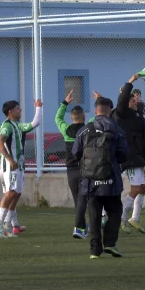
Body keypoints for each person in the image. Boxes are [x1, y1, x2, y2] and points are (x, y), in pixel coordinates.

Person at [72, 97, 129, 259]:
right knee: (115, 211)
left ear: (96, 110)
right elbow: (124, 155)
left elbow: (75, 153)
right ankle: (110, 243)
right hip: (111, 180)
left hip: (90, 180)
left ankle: (94, 250)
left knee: (94, 215)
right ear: (110, 110)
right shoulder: (117, 129)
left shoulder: (84, 130)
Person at [0, 99, 43, 238]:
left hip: (16, 165)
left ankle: (8, 225)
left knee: (16, 193)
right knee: (11, 193)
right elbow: (0, 144)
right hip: (10, 166)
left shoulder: (12, 126)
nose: (20, 110)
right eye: (18, 108)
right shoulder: (7, 127)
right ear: (11, 111)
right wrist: (38, 108)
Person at [112, 73, 145, 235]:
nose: (136, 102)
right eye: (133, 100)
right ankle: (123, 219)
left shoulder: (137, 116)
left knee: (143, 187)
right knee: (136, 188)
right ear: (127, 103)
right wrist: (131, 81)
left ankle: (134, 218)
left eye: (137, 100)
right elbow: (121, 100)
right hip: (130, 158)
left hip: (139, 158)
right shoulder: (122, 113)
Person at [56, 90, 88, 239]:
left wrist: (64, 103)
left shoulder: (65, 130)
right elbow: (101, 117)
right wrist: (99, 100)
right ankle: (78, 227)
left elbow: (58, 118)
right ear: (84, 117)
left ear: (71, 118)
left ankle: (83, 226)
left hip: (70, 170)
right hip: (85, 169)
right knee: (84, 200)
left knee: (78, 200)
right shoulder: (88, 130)